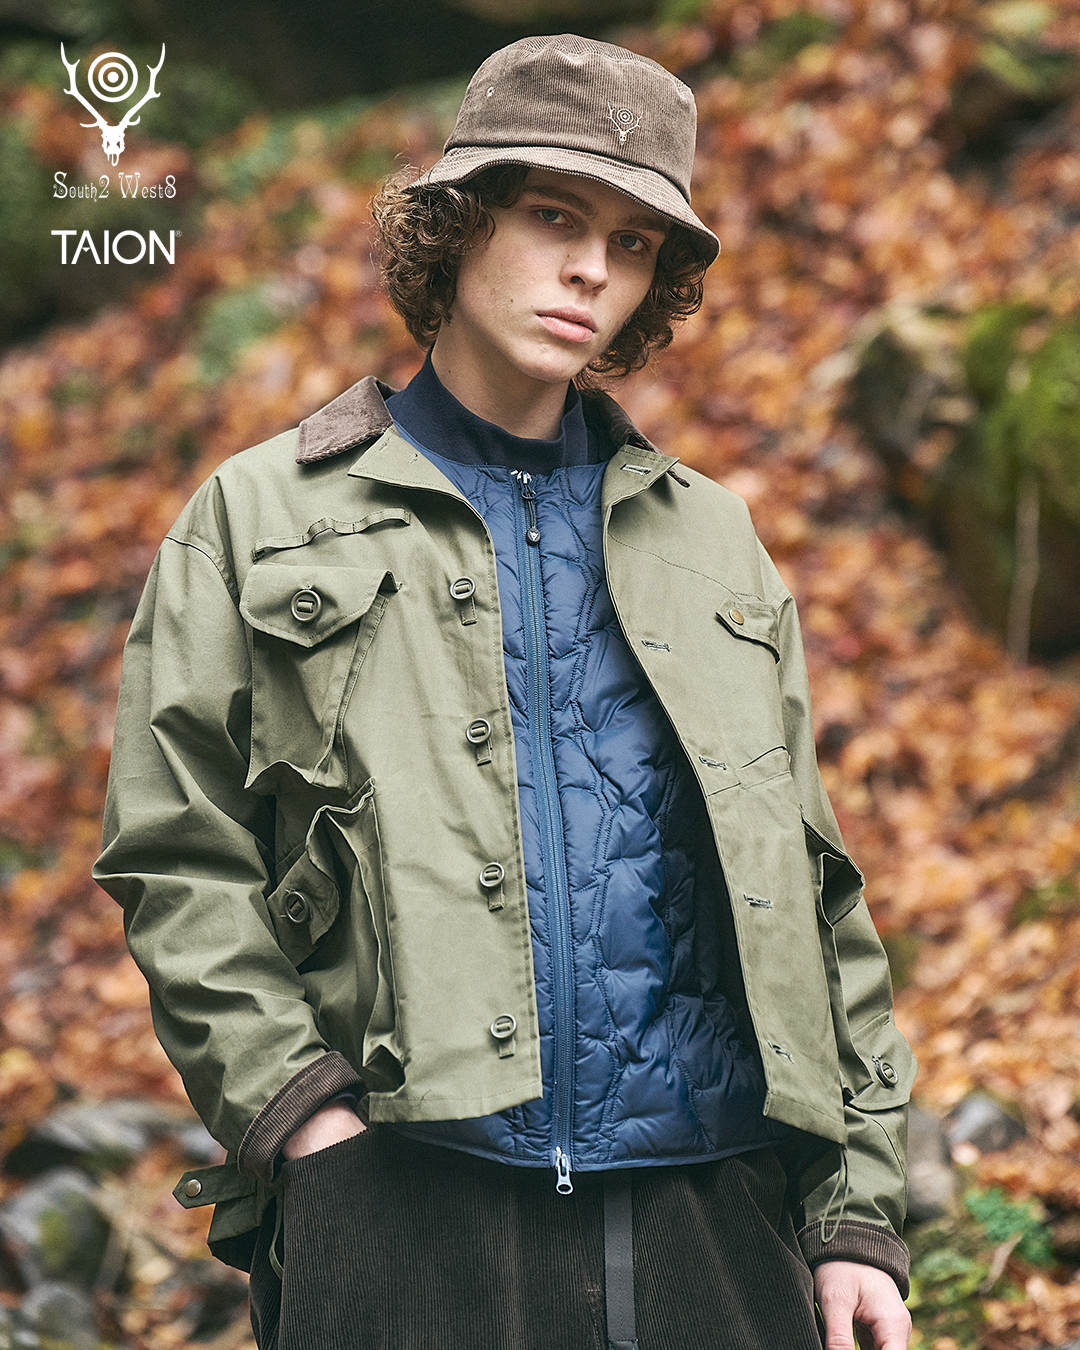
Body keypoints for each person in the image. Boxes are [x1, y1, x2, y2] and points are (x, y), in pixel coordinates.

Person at [94, 33, 915, 1350]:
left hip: (710, 1208)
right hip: (402, 1202)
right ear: (459, 221)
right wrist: (302, 1115)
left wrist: (852, 1212)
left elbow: (814, 892)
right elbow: (175, 849)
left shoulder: (715, 542)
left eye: (634, 242)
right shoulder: (259, 518)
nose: (593, 269)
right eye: (552, 216)